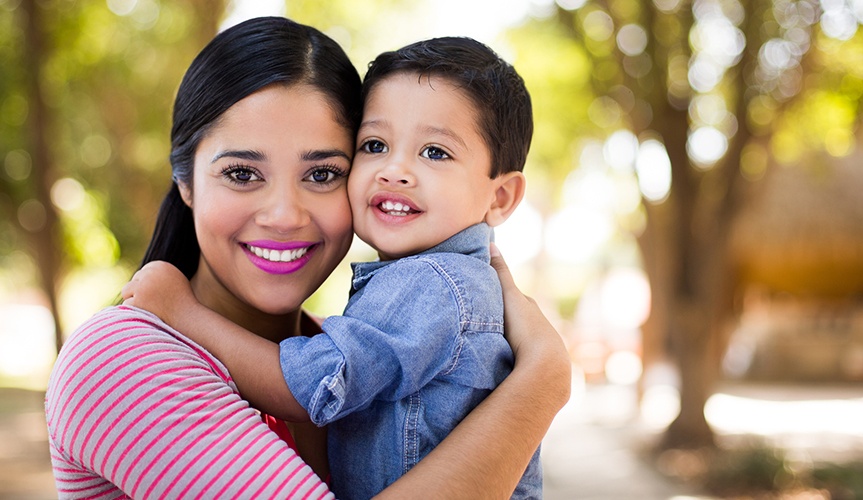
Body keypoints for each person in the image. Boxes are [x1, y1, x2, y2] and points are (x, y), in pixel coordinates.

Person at [44, 16, 570, 500]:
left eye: (322, 174)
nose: (284, 215)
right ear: (185, 182)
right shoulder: (121, 357)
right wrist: (541, 385)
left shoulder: (349, 350)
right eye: (242, 173)